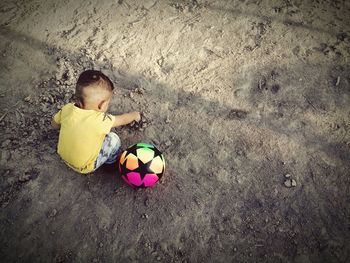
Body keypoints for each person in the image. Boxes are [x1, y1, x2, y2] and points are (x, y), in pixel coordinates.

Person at [51, 70, 140, 174]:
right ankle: (111, 163)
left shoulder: (67, 109)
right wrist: (135, 115)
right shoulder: (100, 120)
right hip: (85, 166)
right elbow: (122, 119)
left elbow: (54, 124)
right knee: (113, 139)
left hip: (63, 156)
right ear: (101, 105)